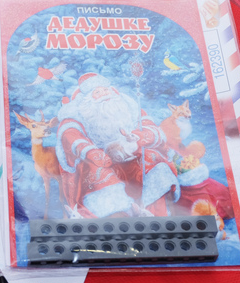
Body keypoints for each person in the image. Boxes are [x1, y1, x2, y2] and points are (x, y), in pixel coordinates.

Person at [55, 73, 179, 217]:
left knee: (153, 161)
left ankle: (153, 212)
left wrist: (138, 137)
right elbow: (70, 135)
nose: (104, 94)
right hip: (101, 160)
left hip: (131, 154)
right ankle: (119, 216)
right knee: (97, 173)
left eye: (105, 90)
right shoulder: (78, 114)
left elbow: (148, 126)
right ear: (87, 99)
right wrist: (91, 152)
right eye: (97, 92)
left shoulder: (129, 106)